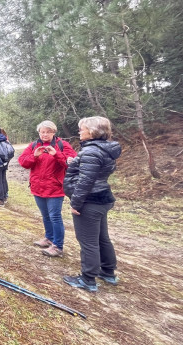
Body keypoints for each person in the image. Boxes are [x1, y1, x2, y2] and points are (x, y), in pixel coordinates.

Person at [63, 116, 121, 292]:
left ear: (93, 131)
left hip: (90, 201)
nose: (79, 131)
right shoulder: (103, 149)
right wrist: (77, 163)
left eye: (82, 129)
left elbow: (85, 182)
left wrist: (76, 203)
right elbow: (96, 171)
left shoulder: (91, 151)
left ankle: (88, 279)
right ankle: (108, 272)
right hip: (102, 197)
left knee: (88, 241)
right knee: (102, 238)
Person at [18, 120, 76, 257]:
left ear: (53, 133)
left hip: (55, 188)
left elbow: (71, 164)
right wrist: (35, 155)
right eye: (42, 132)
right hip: (38, 187)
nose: (44, 134)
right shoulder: (34, 145)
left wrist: (56, 154)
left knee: (55, 216)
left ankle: (58, 246)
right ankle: (49, 238)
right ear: (39, 132)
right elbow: (23, 162)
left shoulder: (62, 145)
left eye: (48, 132)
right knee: (45, 216)